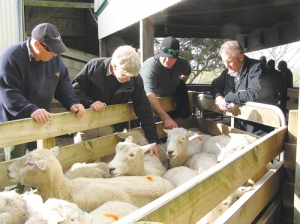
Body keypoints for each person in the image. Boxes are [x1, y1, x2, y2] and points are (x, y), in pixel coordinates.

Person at [0, 23, 85, 161]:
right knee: (17, 165)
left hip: (42, 120)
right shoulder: (11, 57)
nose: (55, 53)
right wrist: (30, 110)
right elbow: (8, 92)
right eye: (52, 49)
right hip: (16, 121)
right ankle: (17, 184)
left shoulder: (54, 58)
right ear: (38, 45)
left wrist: (72, 102)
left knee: (41, 162)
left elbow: (63, 82)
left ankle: (38, 184)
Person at [72, 45, 161, 159]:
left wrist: (153, 140)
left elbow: (143, 108)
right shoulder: (95, 66)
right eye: (125, 75)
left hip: (112, 128)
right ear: (114, 66)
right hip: (86, 126)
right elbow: (75, 89)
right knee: (82, 164)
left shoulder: (134, 78)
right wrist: (89, 103)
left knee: (110, 166)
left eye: (131, 76)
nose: (129, 79)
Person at [211, 40, 274, 136]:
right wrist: (218, 97)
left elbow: (254, 93)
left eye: (229, 61)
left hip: (260, 128)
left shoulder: (256, 68)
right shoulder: (227, 72)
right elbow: (215, 84)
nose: (226, 65)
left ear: (241, 57)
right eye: (224, 62)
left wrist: (227, 98)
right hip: (241, 126)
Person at [140, 36, 192, 129]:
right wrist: (165, 118)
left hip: (171, 101)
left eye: (172, 57)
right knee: (155, 130)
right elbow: (150, 95)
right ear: (159, 50)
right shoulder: (149, 67)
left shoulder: (182, 63)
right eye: (165, 56)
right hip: (150, 104)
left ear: (178, 54)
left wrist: (177, 84)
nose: (168, 60)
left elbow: (186, 72)